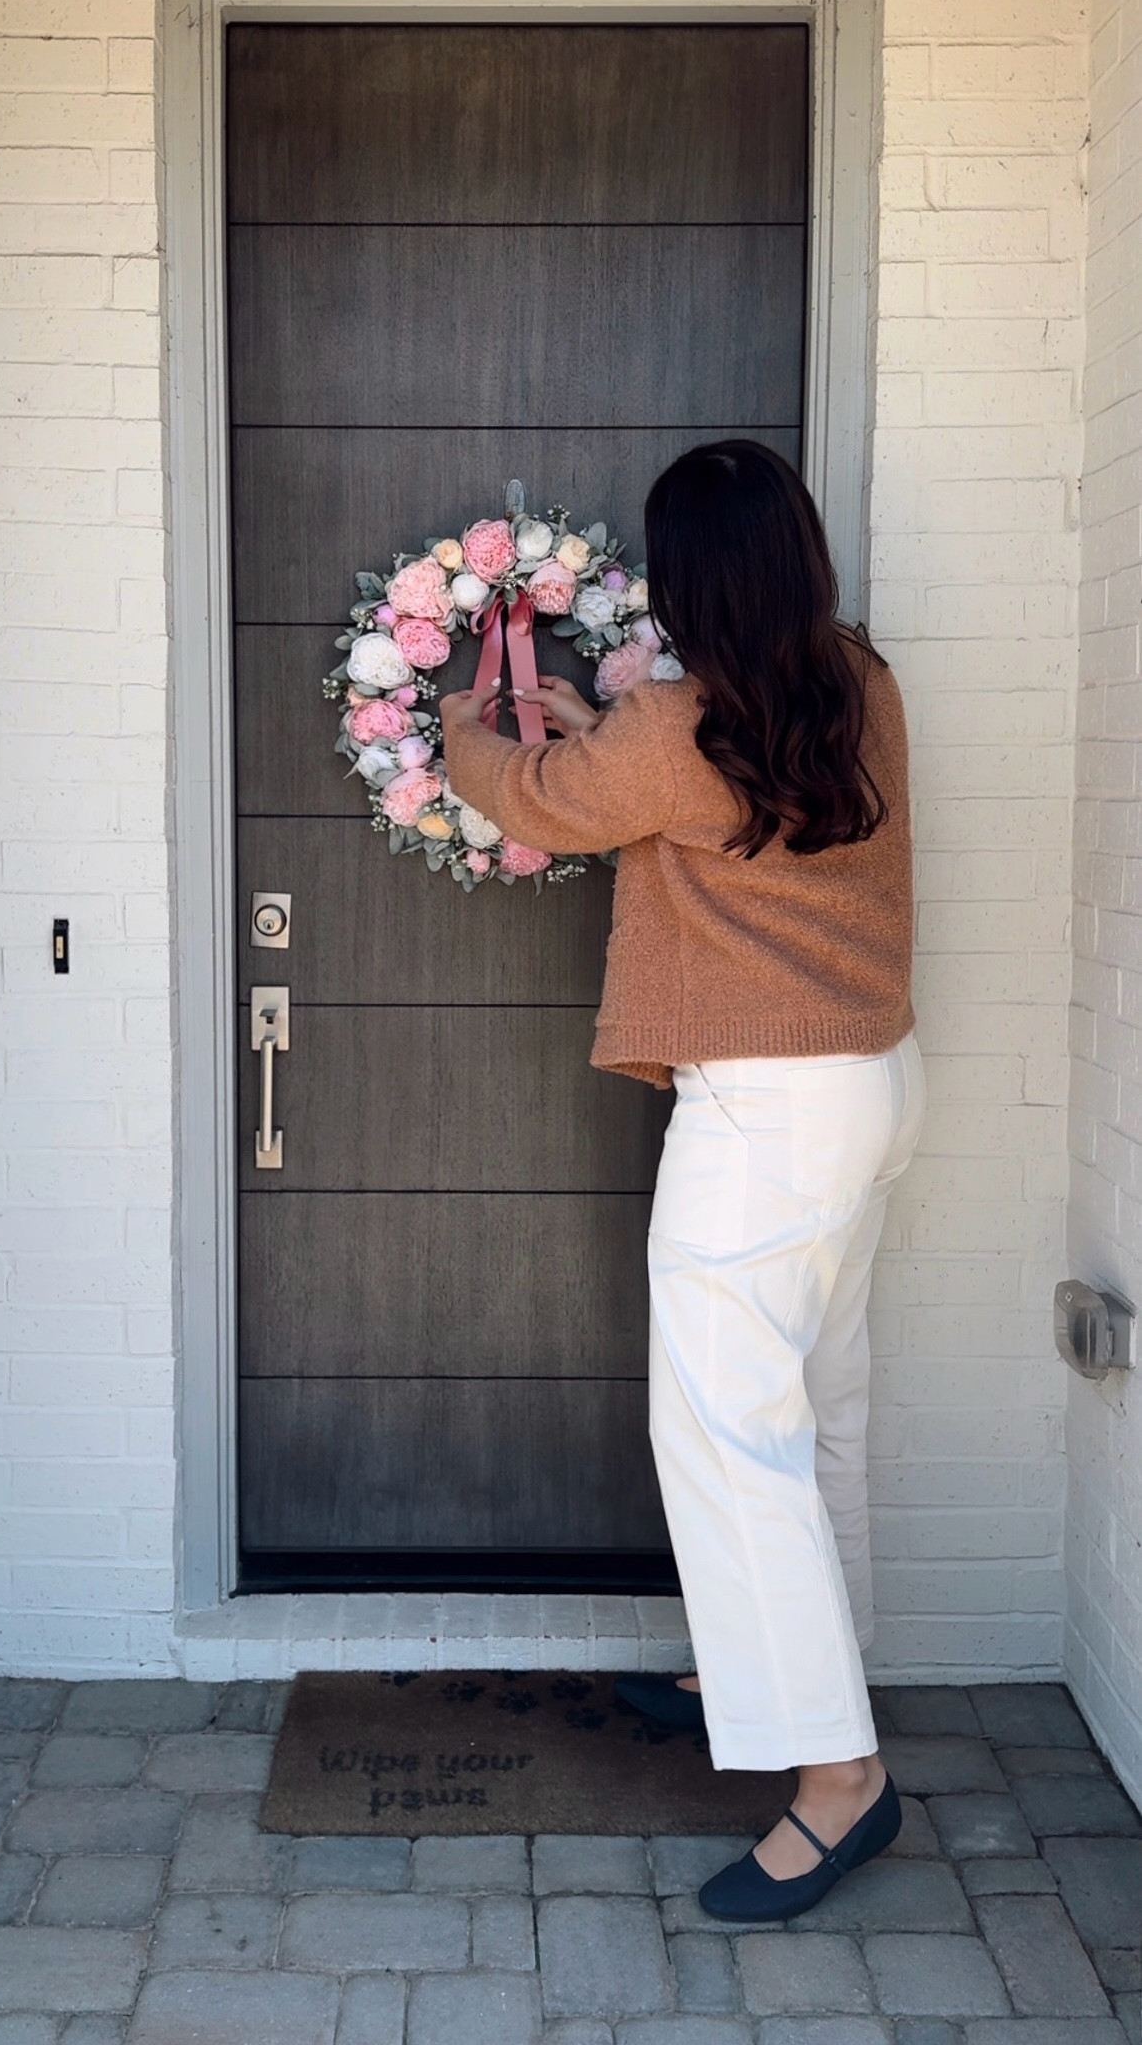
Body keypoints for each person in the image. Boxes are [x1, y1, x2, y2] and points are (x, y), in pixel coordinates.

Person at [440, 438, 924, 1923]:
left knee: (723, 1431)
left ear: (694, 576)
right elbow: (678, 787)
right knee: (813, 1409)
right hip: (870, 1084)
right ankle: (768, 1668)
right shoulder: (858, 680)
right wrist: (610, 729)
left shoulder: (674, 723)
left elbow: (539, 800)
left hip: (764, 1113)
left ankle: (838, 1786)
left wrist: (468, 722)